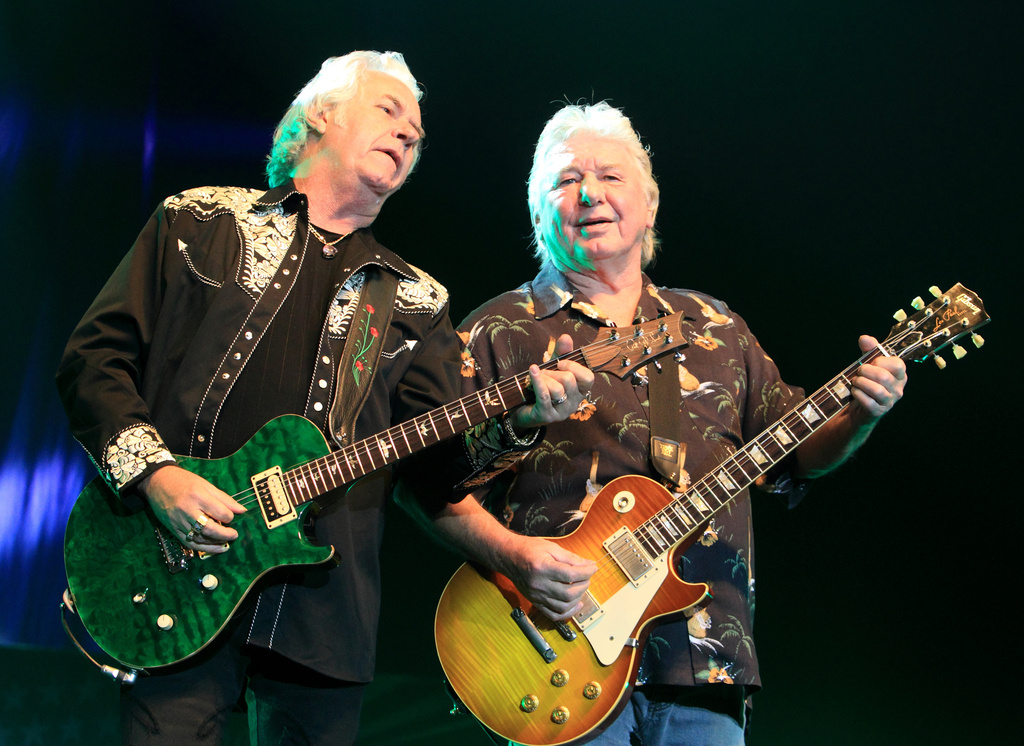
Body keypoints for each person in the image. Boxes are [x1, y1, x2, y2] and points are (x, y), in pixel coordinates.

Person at [55, 52, 590, 745]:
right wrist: (155, 475)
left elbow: (434, 473)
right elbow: (93, 360)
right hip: (173, 575)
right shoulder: (200, 221)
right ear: (320, 113)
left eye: (417, 134)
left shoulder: (417, 299)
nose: (408, 134)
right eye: (388, 111)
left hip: (323, 618)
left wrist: (519, 421)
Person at [425, 102, 907, 745]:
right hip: (552, 658)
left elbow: (796, 453)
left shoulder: (716, 326)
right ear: (538, 213)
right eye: (567, 180)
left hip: (703, 660)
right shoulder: (495, 331)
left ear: (649, 206)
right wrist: (516, 556)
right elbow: (424, 486)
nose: (590, 193)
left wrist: (860, 415)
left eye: (610, 176)